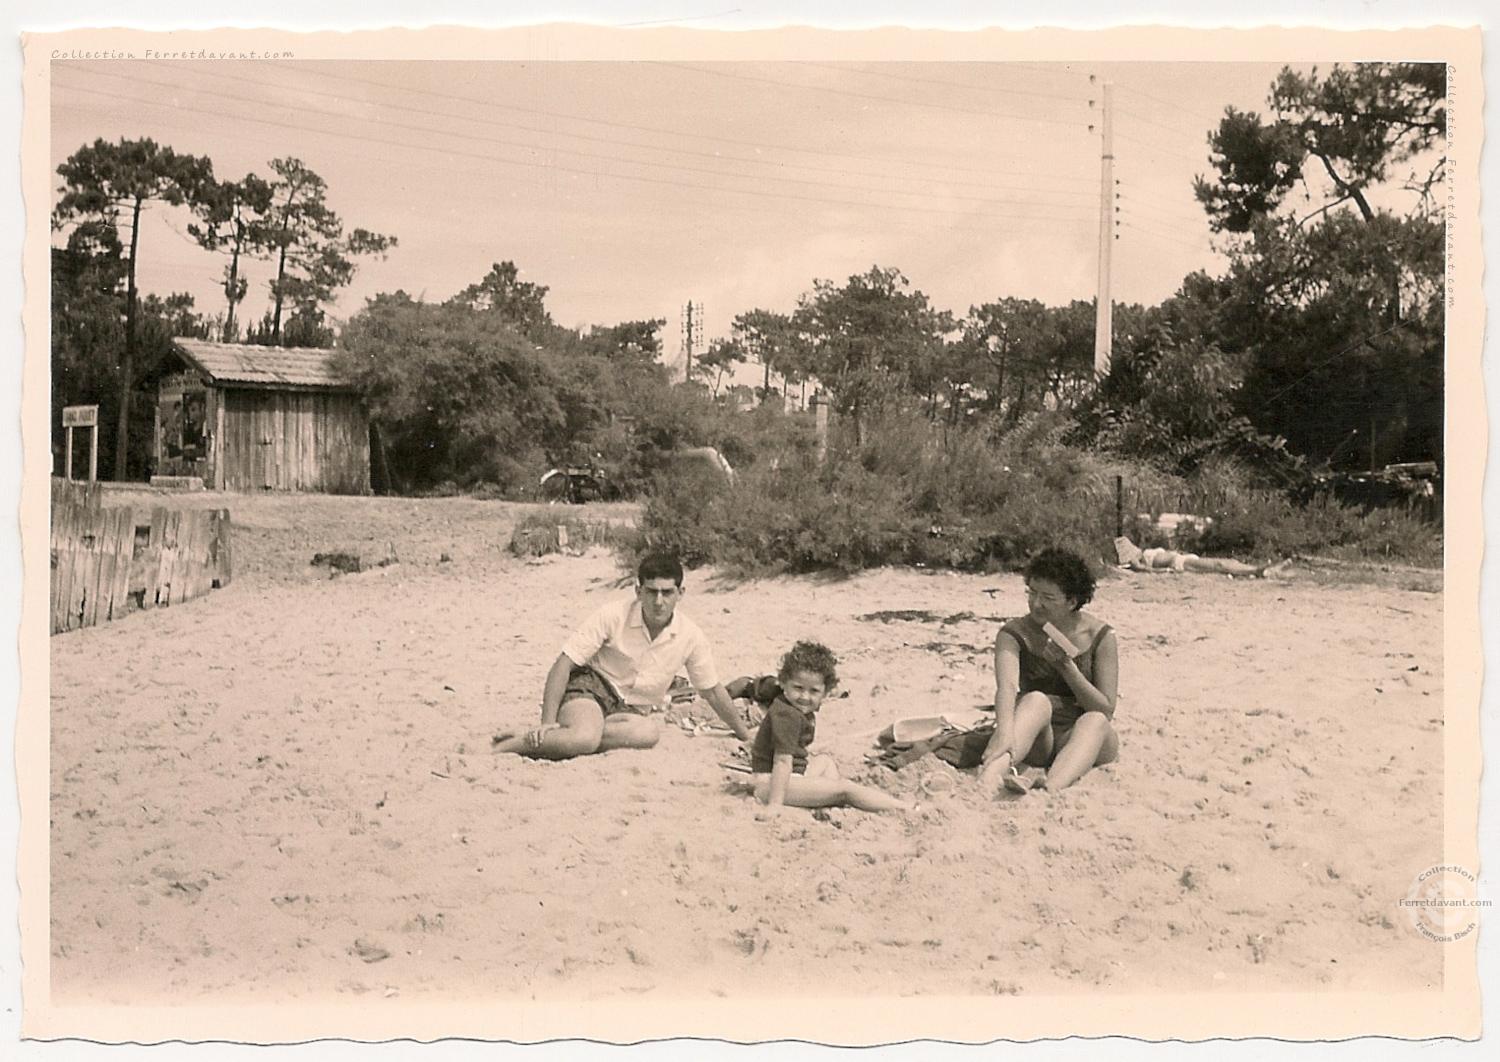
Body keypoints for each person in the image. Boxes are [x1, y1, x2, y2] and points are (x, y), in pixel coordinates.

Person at [492, 552, 751, 759]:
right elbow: (563, 663)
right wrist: (546, 722)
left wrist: (745, 736)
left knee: (648, 734)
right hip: (591, 689)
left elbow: (712, 691)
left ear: (680, 593)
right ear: (638, 591)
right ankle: (513, 745)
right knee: (584, 738)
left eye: (667, 592)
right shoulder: (613, 614)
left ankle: (567, 737)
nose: (659, 601)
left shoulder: (690, 635)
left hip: (631, 710)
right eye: (651, 592)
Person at [979, 548, 1119, 794]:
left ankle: (1050, 787)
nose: (1036, 603)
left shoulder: (1100, 636)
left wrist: (1067, 668)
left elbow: (1105, 709)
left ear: (1072, 601)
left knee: (1094, 720)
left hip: (1086, 737)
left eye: (1048, 598)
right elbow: (1007, 687)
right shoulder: (1015, 633)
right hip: (1038, 735)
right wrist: (1003, 731)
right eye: (1031, 593)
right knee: (1035, 699)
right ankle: (994, 772)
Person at [742, 641, 912, 815]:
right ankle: (904, 808)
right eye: (798, 688)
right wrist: (775, 805)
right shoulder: (787, 715)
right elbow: (782, 761)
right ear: (783, 683)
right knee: (846, 789)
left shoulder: (793, 707)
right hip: (770, 784)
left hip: (789, 776)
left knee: (824, 761)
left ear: (826, 692)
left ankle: (825, 800)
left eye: (813, 691)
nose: (805, 697)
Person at [1114, 535, 1289, 578]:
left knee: (1226, 562)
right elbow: (1142, 569)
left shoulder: (1143, 552)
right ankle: (1258, 571)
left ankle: (1261, 571)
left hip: (1184, 559)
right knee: (1220, 565)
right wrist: (1165, 571)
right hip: (1181, 564)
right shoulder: (1135, 559)